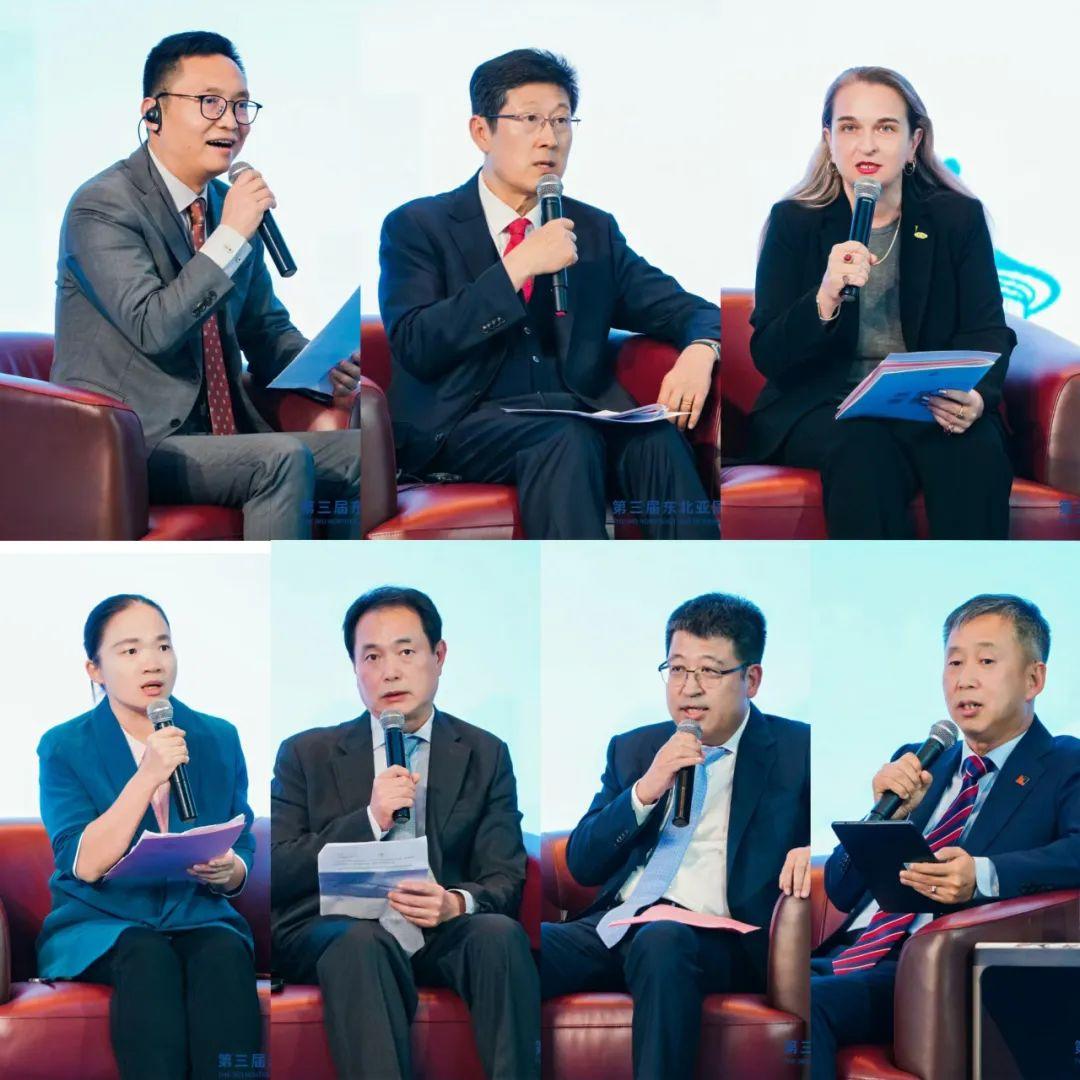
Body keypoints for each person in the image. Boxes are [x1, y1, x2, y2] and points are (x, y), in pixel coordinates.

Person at [378, 48, 720, 540]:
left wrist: (701, 350)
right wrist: (518, 266)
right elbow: (417, 343)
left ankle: (699, 578)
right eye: (530, 119)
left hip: (576, 411)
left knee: (654, 439)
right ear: (481, 132)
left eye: (561, 120)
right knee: (566, 437)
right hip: (460, 425)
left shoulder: (593, 230)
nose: (550, 138)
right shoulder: (418, 225)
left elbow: (689, 310)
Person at [51, 31, 361, 539]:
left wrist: (321, 366)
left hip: (221, 437)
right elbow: (153, 327)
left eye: (241, 106)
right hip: (132, 440)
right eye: (209, 102)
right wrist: (231, 236)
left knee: (363, 453)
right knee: (280, 460)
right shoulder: (102, 206)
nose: (230, 121)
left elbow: (265, 331)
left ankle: (332, 571)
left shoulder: (224, 205)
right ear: (153, 113)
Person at [270, 587, 539, 1079]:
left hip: (437, 929)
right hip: (336, 931)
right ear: (355, 669)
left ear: (439, 656)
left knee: (499, 936)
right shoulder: (305, 754)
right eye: (371, 657)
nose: (389, 671)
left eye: (406, 651)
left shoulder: (485, 753)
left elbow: (504, 874)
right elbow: (279, 869)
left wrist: (454, 903)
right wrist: (370, 819)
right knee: (362, 943)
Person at [540, 593, 810, 1079]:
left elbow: (843, 846)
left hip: (717, 938)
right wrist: (645, 790)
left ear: (751, 679)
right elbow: (582, 863)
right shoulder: (635, 748)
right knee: (517, 947)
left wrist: (811, 850)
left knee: (661, 941)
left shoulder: (799, 749)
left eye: (710, 671)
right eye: (678, 669)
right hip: (615, 926)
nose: (689, 688)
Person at [811, 594, 1080, 1079]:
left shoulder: (1065, 764)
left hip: (937, 971)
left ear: (1034, 679)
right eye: (954, 662)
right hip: (846, 956)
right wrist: (883, 818)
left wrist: (982, 875)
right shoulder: (922, 760)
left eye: (986, 661)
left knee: (809, 1005)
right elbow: (840, 889)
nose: (965, 679)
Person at [747, 67, 1015, 539]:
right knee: (862, 448)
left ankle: (970, 576)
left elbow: (987, 328)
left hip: (926, 402)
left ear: (914, 143)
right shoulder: (794, 222)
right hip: (824, 406)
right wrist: (825, 296)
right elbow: (769, 353)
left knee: (972, 447)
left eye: (886, 128)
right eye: (850, 128)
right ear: (829, 141)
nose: (866, 146)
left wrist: (976, 397)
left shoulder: (956, 219)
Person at [36, 595, 261, 1080]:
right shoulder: (64, 746)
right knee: (146, 955)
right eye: (130, 650)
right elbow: (83, 862)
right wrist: (147, 775)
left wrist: (231, 870)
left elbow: (241, 834)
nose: (153, 662)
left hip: (196, 912)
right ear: (95, 669)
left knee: (224, 955)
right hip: (102, 922)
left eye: (163, 645)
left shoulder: (217, 737)